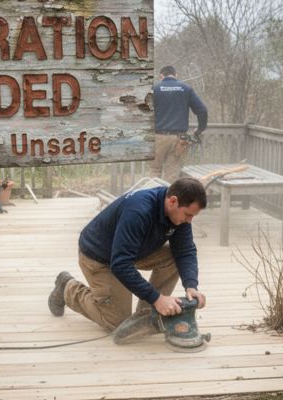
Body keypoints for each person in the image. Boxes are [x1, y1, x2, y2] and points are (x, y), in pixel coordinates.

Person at [48, 177, 207, 332]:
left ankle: (147, 314)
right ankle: (67, 288)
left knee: (174, 257)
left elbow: (185, 251)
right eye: (188, 215)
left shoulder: (178, 214)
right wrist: (157, 298)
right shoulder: (138, 211)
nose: (189, 221)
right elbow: (121, 265)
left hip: (131, 251)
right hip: (98, 258)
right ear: (173, 201)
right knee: (117, 322)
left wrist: (191, 285)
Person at [149, 65, 208, 182]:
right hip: (179, 139)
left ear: (161, 76)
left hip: (158, 137)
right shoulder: (186, 89)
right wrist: (200, 129)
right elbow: (202, 111)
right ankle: (168, 199)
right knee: (172, 173)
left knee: (154, 170)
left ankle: (153, 198)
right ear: (176, 75)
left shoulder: (154, 89)